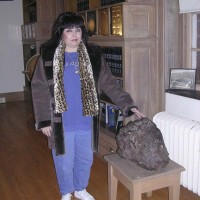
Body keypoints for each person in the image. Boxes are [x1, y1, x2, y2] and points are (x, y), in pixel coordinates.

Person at [31, 12, 145, 200]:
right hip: (61, 122)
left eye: (78, 29)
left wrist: (128, 105)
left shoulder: (93, 55)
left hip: (86, 120)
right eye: (69, 30)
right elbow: (39, 89)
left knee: (85, 159)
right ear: (61, 33)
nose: (75, 34)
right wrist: (44, 121)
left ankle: (80, 188)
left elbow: (109, 83)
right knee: (64, 161)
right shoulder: (48, 56)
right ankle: (67, 191)